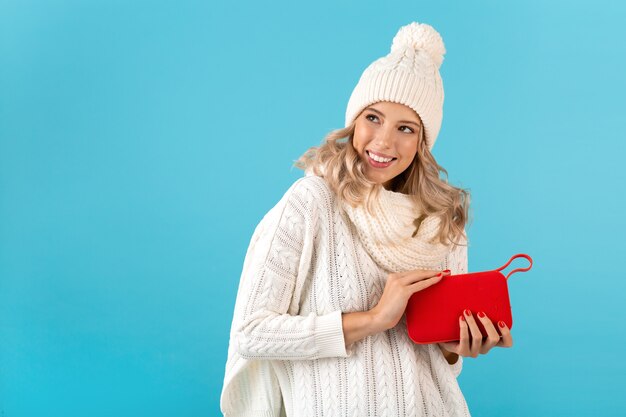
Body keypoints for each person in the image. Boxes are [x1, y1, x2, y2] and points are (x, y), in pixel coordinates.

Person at [220, 21, 513, 417]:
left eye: (405, 128)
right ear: (354, 120)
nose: (384, 142)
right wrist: (375, 318)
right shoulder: (311, 203)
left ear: (422, 143)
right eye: (373, 118)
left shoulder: (443, 223)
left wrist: (455, 346)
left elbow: (441, 362)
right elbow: (251, 333)